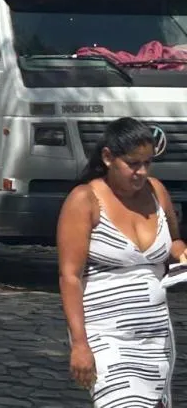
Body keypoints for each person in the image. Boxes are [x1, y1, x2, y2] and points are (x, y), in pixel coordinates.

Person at [58, 117, 184, 405]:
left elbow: (174, 242)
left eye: (147, 163)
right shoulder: (84, 200)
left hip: (156, 339)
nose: (141, 172)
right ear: (108, 157)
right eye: (132, 164)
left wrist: (181, 254)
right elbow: (70, 277)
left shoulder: (156, 192)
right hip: (107, 337)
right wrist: (80, 344)